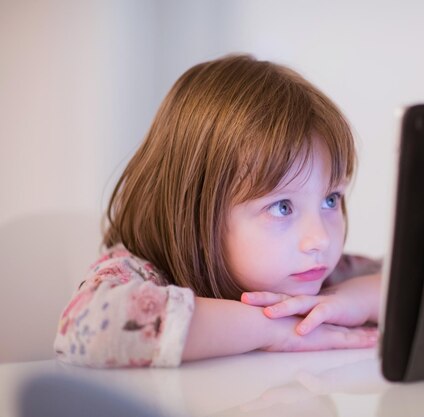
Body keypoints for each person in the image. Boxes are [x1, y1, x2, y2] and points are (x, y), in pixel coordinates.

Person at [54, 55, 382, 367]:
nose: (320, 239)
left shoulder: (328, 277)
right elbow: (88, 325)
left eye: (330, 200)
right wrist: (275, 328)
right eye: (282, 207)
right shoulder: (143, 274)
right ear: (194, 214)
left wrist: (357, 298)